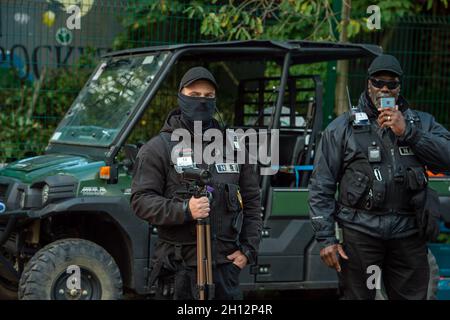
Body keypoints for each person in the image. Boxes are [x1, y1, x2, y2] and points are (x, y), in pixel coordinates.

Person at [308, 54, 450, 300]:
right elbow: (322, 183)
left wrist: (409, 132)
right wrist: (326, 237)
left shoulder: (421, 122)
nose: (384, 88)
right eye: (378, 82)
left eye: (391, 84)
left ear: (399, 88)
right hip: (360, 230)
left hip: (408, 231)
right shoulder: (343, 127)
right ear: (368, 84)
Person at [130, 66, 262, 300]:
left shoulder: (235, 148)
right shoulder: (159, 148)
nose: (202, 102)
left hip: (225, 270)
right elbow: (141, 201)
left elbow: (252, 202)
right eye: (194, 96)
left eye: (208, 97)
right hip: (178, 269)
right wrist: (184, 210)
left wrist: (248, 251)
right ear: (181, 96)